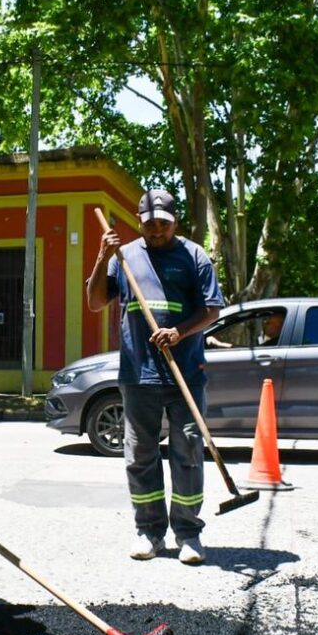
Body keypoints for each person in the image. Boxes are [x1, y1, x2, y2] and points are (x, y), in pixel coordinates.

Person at [86, 189, 224, 565]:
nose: (157, 230)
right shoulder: (124, 256)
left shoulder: (194, 256)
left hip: (185, 374)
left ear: (174, 222)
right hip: (138, 374)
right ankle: (149, 531)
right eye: (150, 224)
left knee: (188, 453)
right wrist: (102, 256)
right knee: (140, 456)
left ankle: (188, 533)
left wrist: (179, 332)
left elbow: (212, 310)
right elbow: (95, 302)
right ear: (139, 221)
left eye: (164, 224)